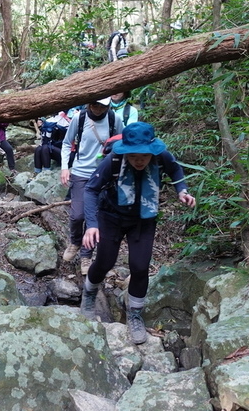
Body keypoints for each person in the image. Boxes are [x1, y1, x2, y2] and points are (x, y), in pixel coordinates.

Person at [80, 121, 195, 344]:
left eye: (143, 155)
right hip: (111, 216)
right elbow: (91, 189)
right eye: (133, 156)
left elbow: (175, 170)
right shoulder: (112, 160)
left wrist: (182, 191)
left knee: (140, 267)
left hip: (143, 218)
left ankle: (134, 315)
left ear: (151, 150)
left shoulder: (161, 156)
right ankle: (89, 295)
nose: (139, 160)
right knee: (105, 262)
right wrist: (92, 224)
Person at [61, 98, 124, 274]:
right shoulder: (79, 118)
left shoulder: (114, 119)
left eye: (102, 105)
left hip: (104, 174)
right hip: (80, 172)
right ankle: (75, 241)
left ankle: (86, 257)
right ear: (88, 103)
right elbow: (67, 143)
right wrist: (65, 168)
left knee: (92, 218)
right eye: (94, 104)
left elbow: (123, 141)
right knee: (77, 216)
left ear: (108, 105)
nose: (98, 109)